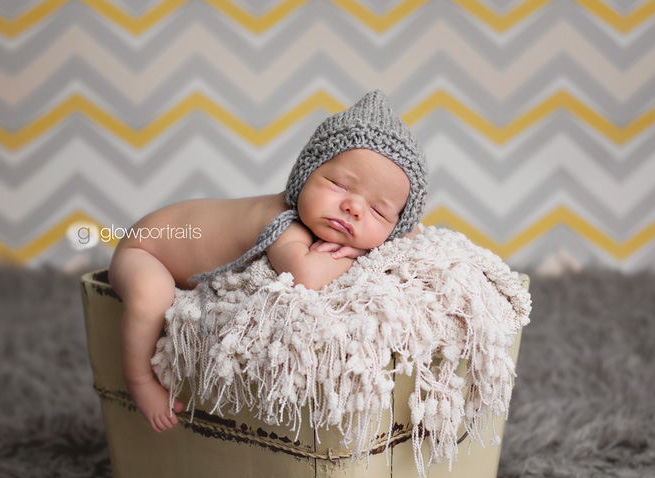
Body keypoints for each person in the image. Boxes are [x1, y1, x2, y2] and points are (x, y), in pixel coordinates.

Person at [108, 90, 429, 433]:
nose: (354, 207)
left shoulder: (358, 222)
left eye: (378, 210)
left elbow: (412, 232)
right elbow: (306, 274)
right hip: (145, 248)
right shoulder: (283, 223)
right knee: (153, 293)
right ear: (304, 175)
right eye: (339, 185)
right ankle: (140, 380)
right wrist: (365, 251)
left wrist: (390, 237)